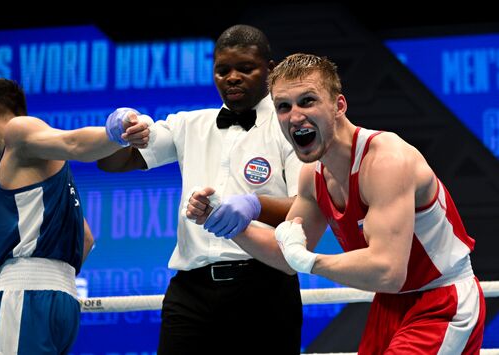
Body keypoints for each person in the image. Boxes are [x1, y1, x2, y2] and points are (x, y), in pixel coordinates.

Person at [190, 53, 486, 353]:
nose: (294, 116)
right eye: (283, 106)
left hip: (441, 300)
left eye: (307, 101)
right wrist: (228, 225)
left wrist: (310, 261)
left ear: (338, 106)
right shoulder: (312, 176)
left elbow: (388, 270)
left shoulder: (386, 161)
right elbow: (285, 255)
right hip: (389, 304)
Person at [97, 25, 303, 354]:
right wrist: (119, 131)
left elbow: (302, 208)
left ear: (271, 70)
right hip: (190, 292)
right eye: (223, 70)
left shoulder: (290, 128)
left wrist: (253, 206)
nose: (232, 77)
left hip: (264, 285)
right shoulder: (187, 125)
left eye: (246, 68)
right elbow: (112, 163)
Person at [0, 78, 140, 354]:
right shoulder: (48, 171)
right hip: (63, 302)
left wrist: (116, 130)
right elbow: (86, 239)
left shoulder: (19, 129)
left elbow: (73, 143)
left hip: (24, 299)